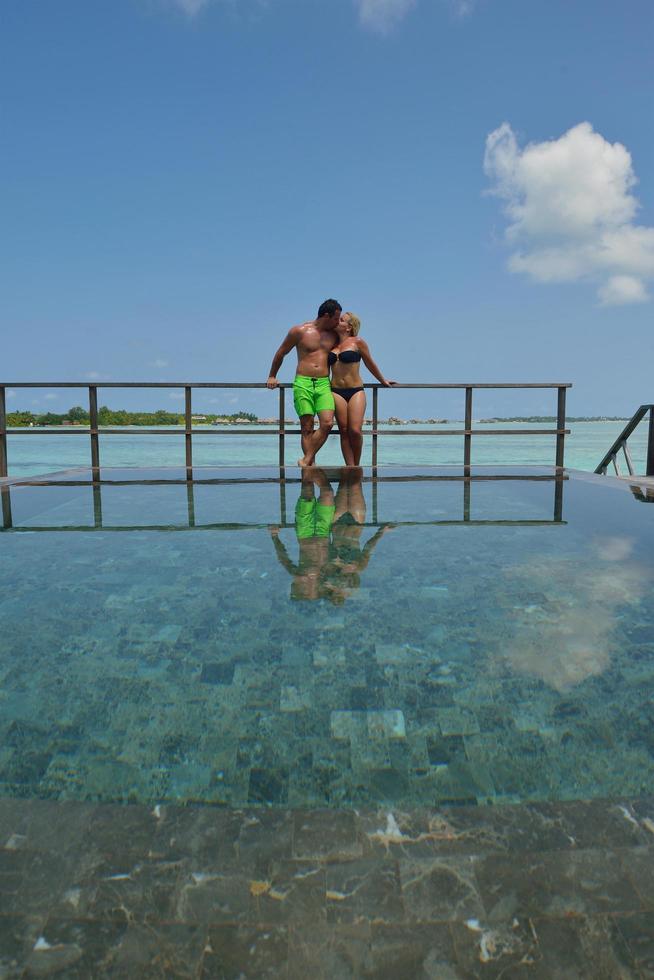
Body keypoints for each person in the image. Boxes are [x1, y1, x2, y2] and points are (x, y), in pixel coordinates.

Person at [267, 299, 342, 467]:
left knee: (328, 423)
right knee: (307, 427)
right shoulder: (299, 331)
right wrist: (272, 375)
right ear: (326, 315)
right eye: (336, 318)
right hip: (303, 382)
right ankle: (310, 465)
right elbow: (281, 353)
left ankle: (306, 460)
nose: (338, 322)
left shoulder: (334, 334)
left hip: (324, 383)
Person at [329, 312, 395, 466]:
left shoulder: (358, 342)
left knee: (355, 430)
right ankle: (350, 466)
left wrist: (382, 380)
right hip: (335, 391)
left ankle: (357, 465)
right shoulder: (331, 344)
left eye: (341, 320)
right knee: (344, 432)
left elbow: (369, 363)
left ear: (349, 327)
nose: (337, 321)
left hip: (355, 390)